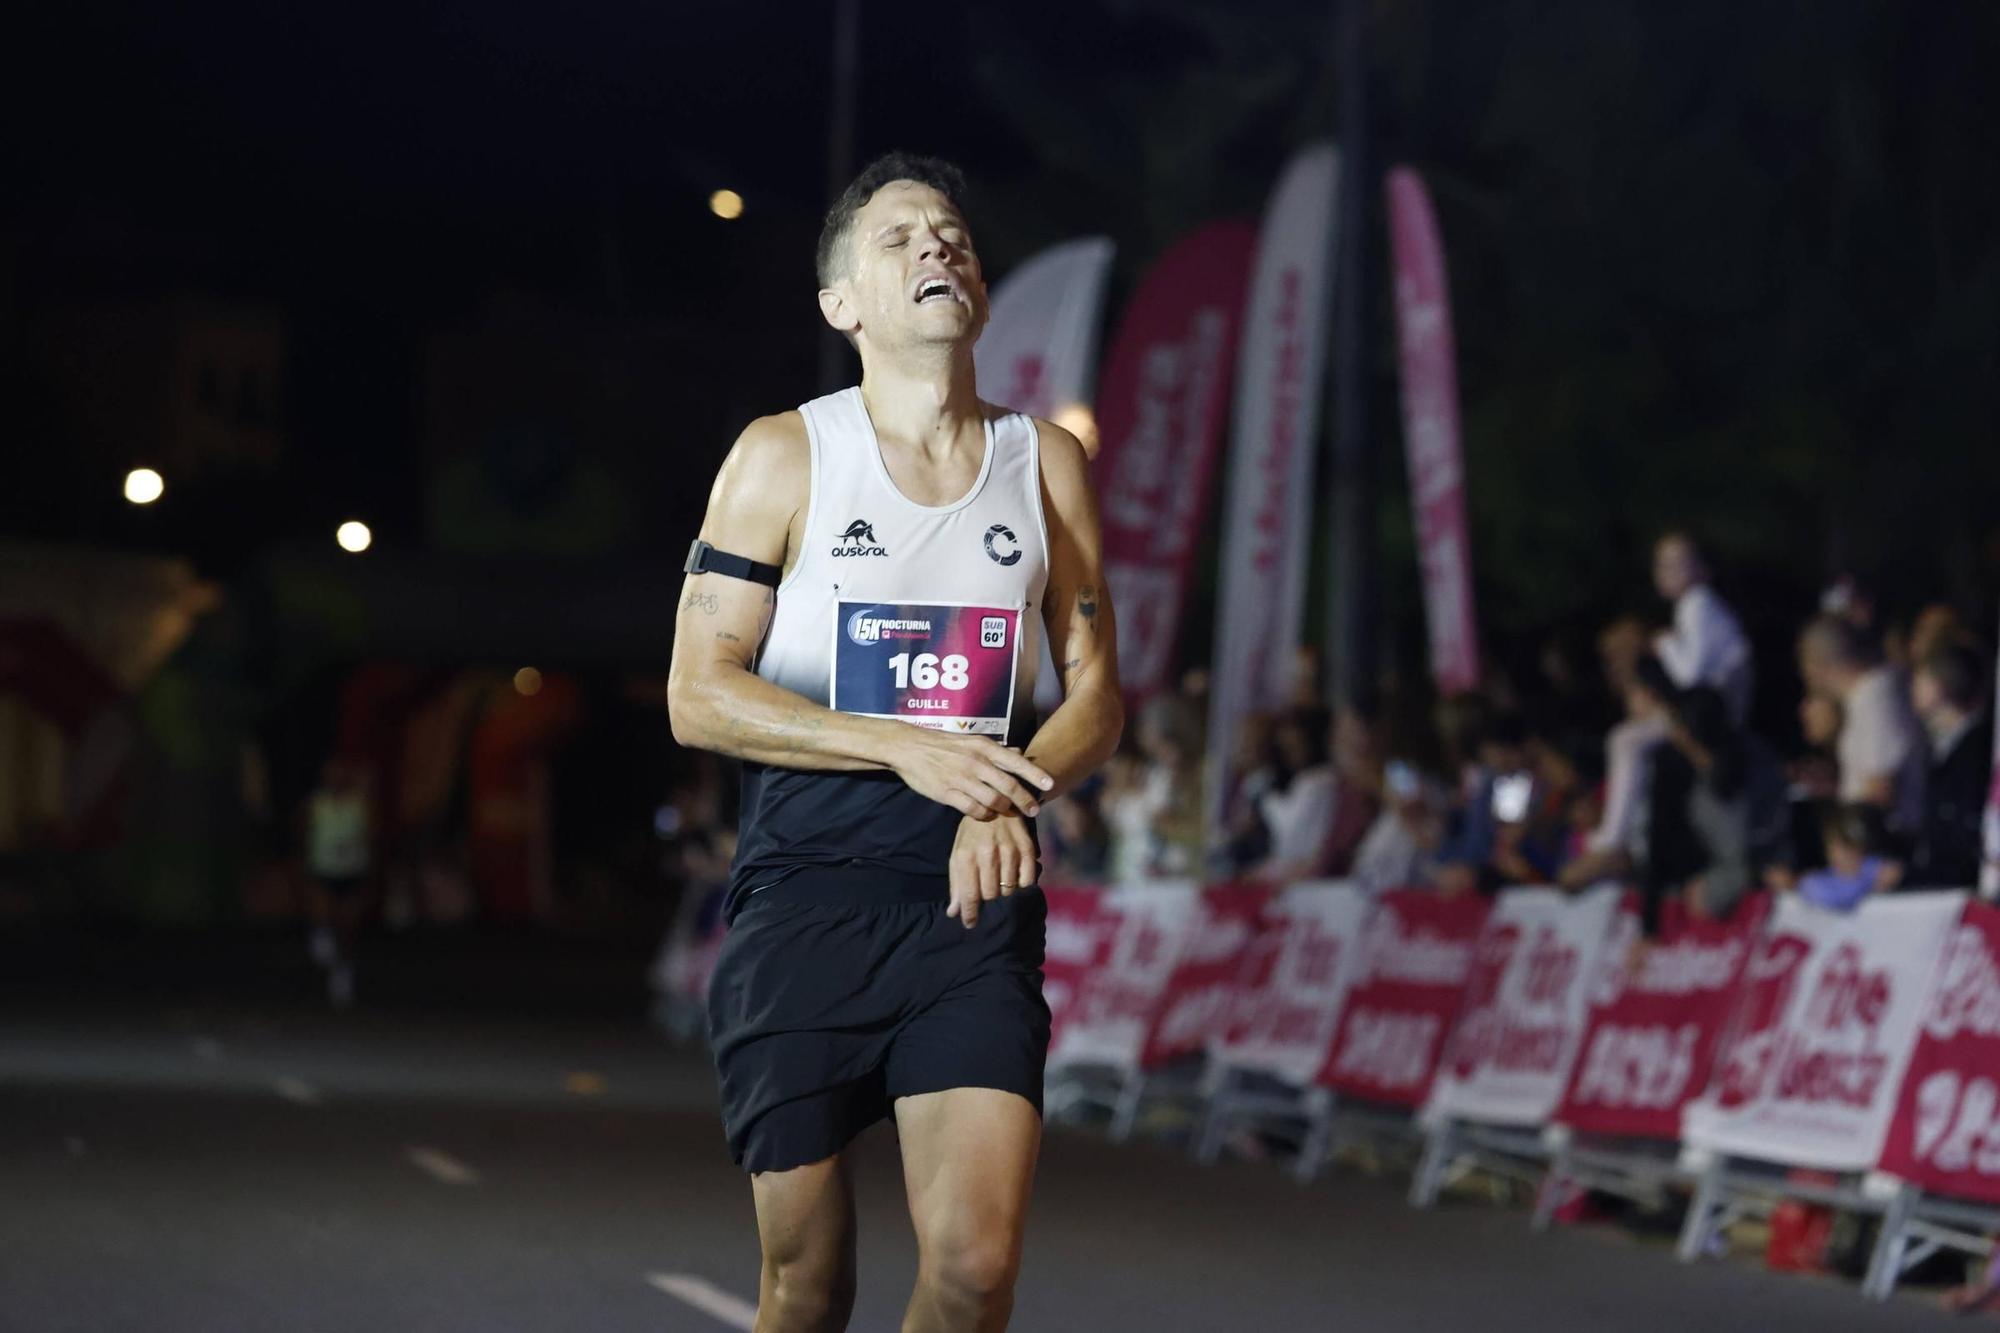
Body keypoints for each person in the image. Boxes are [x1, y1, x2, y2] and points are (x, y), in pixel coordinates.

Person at [666, 153, 1123, 1333]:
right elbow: (697, 696)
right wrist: (901, 747)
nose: (936, 246)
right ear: (840, 304)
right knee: (806, 1289)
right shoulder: (783, 454)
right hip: (804, 900)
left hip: (970, 914)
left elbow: (1097, 697)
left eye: (952, 232)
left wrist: (1007, 798)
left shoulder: (1045, 464)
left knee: (973, 1271)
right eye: (898, 237)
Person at [1797, 613, 1927, 842]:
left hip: (1885, 852)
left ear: (1817, 664)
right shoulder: (1865, 699)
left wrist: (1851, 843)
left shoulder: (1877, 699)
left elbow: (1881, 790)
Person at [1910, 638, 1990, 887]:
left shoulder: (1977, 750)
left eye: (1919, 680)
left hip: (1964, 884)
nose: (1912, 687)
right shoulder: (1947, 747)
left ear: (1938, 688)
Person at [1652, 531, 1754, 723]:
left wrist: (1665, 644)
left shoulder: (1698, 602)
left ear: (1703, 568)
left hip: (1727, 695)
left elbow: (1689, 676)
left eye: (1678, 563)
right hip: (1720, 695)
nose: (1667, 571)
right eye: (1662, 564)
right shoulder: (1693, 603)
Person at [304, 757, 372, 1009]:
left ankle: (343, 971)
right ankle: (321, 936)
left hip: (352, 872)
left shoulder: (358, 805)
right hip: (324, 870)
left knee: (348, 923)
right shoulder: (317, 805)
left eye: (340, 774)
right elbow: (302, 833)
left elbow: (370, 837)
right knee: (324, 914)